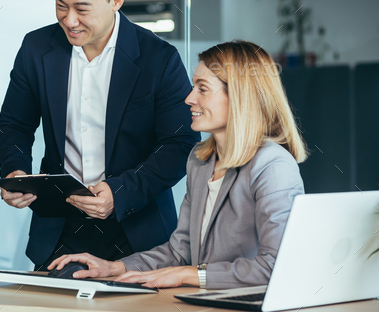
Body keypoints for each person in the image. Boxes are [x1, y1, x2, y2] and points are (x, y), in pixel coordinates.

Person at [0, 0, 200, 269]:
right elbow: (14, 125)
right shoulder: (36, 48)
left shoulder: (159, 59)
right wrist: (15, 171)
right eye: (61, 5)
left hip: (139, 232)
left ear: (116, 0)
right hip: (60, 228)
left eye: (82, 8)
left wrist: (120, 193)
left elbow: (180, 144)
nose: (69, 20)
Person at [49, 40, 308, 289]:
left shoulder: (272, 165)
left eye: (202, 88)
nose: (189, 98)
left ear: (240, 96)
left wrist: (188, 274)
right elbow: (179, 250)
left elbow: (276, 266)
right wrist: (116, 267)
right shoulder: (200, 160)